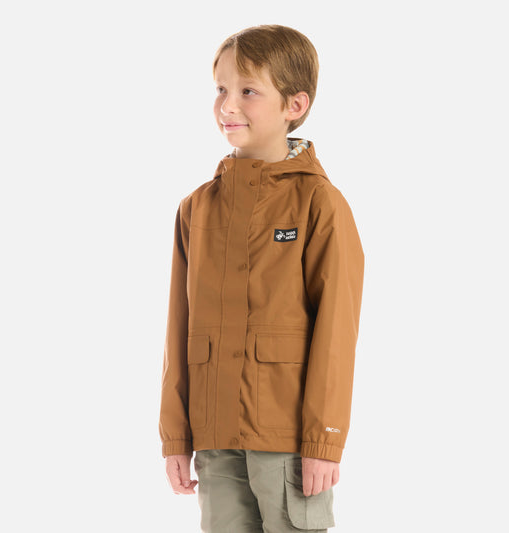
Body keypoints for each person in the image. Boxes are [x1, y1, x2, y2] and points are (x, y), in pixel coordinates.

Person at [159, 24, 365, 532]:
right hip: (214, 433)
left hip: (287, 439)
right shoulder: (196, 209)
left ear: (295, 104)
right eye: (221, 89)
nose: (227, 105)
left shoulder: (320, 203)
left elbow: (336, 331)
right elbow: (178, 328)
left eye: (248, 91)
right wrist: (175, 436)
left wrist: (323, 439)